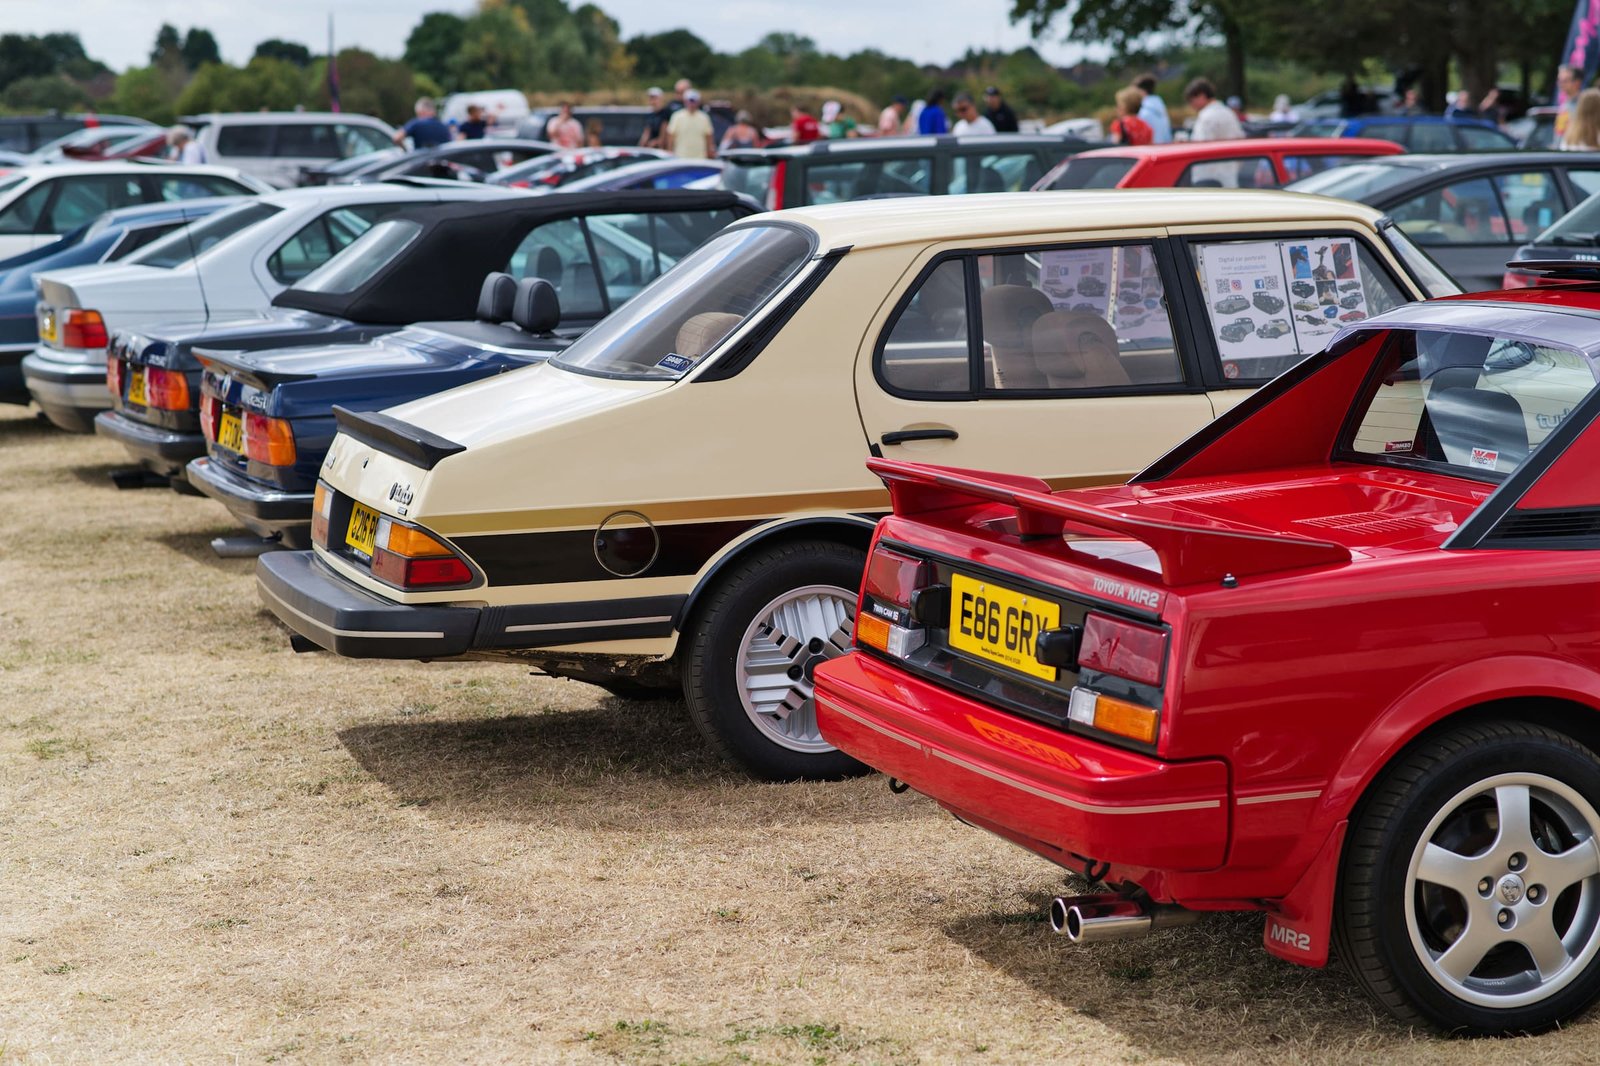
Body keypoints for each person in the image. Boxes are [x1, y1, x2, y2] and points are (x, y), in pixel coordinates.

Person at [1185, 77, 1245, 141]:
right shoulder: (1229, 112)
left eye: (1191, 101)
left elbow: (1199, 144)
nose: (1192, 105)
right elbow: (1240, 137)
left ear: (1201, 96)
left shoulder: (1205, 116)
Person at [665, 88, 714, 159]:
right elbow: (671, 135)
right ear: (685, 101)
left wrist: (709, 151)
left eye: (693, 101)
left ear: (698, 102)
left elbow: (708, 136)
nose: (691, 104)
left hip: (700, 158)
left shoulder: (704, 117)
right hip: (680, 157)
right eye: (690, 100)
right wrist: (670, 151)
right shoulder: (677, 116)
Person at [1133, 74, 1172, 143]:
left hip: (1151, 149)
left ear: (1142, 91)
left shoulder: (1143, 110)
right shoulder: (1160, 104)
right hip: (1165, 146)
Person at [1558, 65, 1585, 146]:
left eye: (1565, 81)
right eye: (1559, 80)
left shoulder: (1584, 105)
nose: (1560, 84)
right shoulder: (1564, 104)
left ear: (1577, 83)